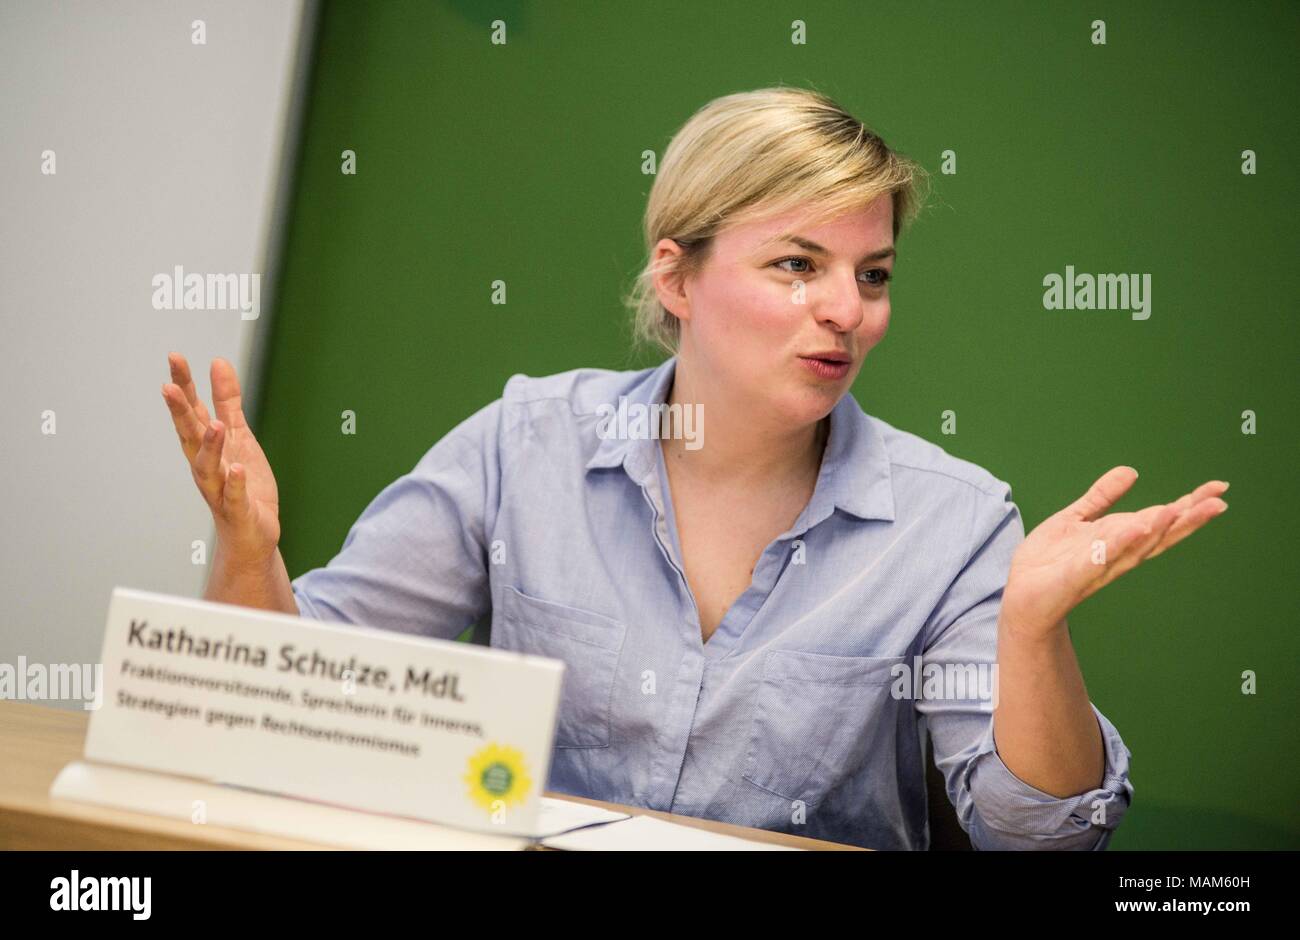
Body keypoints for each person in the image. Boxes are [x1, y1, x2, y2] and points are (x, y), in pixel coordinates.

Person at [160, 86, 1227, 850]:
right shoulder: (523, 443)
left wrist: (1033, 634)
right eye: (796, 265)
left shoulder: (954, 526)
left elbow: (1034, 838)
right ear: (677, 276)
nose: (846, 311)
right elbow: (279, 714)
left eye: (872, 273)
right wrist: (247, 549)